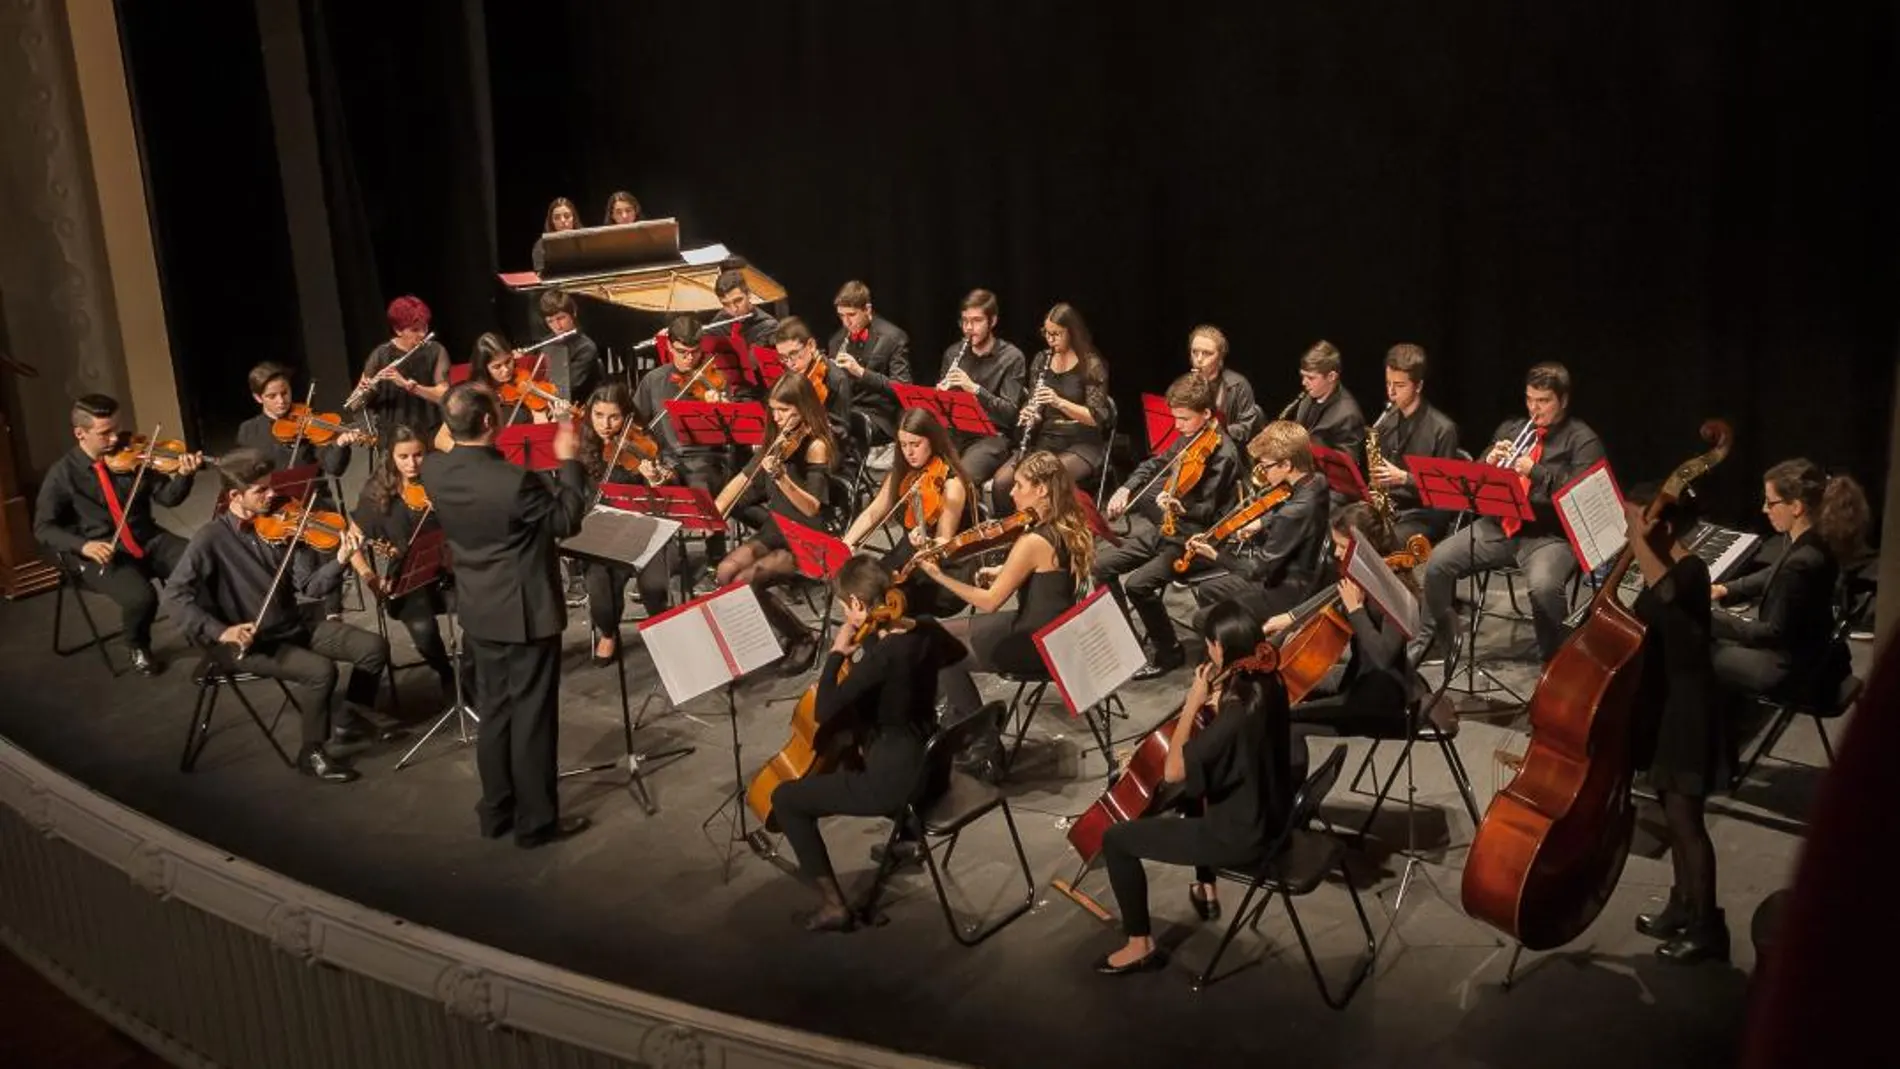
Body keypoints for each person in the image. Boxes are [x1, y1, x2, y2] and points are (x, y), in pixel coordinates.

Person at [420, 383, 589, 847]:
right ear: (491, 423)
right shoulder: (515, 481)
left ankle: (496, 812)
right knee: (532, 717)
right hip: (525, 612)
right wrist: (567, 457)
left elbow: (444, 439)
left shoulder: (433, 470)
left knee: (494, 713)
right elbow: (565, 521)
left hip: (478, 608)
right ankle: (536, 823)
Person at [1093, 600, 1302, 974]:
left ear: (1220, 649)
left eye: (1209, 646)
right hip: (1276, 818)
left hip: (1241, 837)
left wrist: (1192, 705)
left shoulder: (1238, 711)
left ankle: (1139, 944)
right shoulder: (1269, 682)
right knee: (1196, 791)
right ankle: (1206, 888)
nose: (1208, 652)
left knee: (1117, 839)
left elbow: (1173, 771)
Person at [163, 450, 396, 783]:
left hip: (290, 624)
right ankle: (311, 753)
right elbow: (175, 595)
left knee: (373, 647)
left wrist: (340, 560)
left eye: (270, 487)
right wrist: (221, 632)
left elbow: (311, 586)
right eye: (260, 491)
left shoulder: (284, 526)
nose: (272, 495)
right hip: (248, 640)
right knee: (320, 671)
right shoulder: (210, 538)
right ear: (234, 496)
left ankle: (348, 718)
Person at [767, 555, 967, 932]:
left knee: (787, 799)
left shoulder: (882, 660)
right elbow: (954, 654)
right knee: (859, 749)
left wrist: (836, 655)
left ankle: (832, 907)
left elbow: (825, 709)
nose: (847, 615)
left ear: (858, 605)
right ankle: (905, 839)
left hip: (898, 783)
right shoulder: (924, 628)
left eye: (847, 608)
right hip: (934, 767)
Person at [1410, 361, 1604, 664]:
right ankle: (1434, 642)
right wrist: (1488, 461)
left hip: (1550, 537)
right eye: (1529, 399)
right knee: (1437, 562)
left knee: (1544, 587)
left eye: (1543, 401)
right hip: (1499, 526)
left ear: (1563, 401)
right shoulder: (1512, 430)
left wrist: (1536, 472)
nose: (1534, 409)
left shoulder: (1582, 440)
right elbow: (1475, 482)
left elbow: (1581, 496)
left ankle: (1557, 664)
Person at [1621, 483, 1729, 964]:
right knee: (1671, 808)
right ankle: (1682, 905)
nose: (1628, 533)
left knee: (1687, 821)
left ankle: (1708, 926)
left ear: (1661, 527)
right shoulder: (1664, 568)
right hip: (1667, 703)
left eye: (1634, 522)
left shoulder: (1690, 571)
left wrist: (1639, 541)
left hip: (1690, 707)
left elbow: (1663, 596)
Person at [34, 393, 203, 675]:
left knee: (200, 561)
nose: (116, 439)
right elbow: (43, 528)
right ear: (80, 433)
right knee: (142, 598)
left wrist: (185, 475)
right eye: (105, 433)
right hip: (102, 551)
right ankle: (138, 644)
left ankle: (211, 630)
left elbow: (169, 498)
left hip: (146, 537)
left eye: (117, 428)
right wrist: (84, 546)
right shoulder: (62, 474)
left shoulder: (134, 455)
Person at [921, 450, 1092, 720]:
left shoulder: (1033, 541)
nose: (1011, 493)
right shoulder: (1066, 521)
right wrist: (1003, 570)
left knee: (938, 650)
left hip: (1036, 643)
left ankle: (978, 738)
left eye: (1019, 485)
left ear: (1042, 490)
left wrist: (939, 575)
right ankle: (952, 716)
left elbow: (989, 602)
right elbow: (1049, 572)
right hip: (1054, 630)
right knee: (936, 632)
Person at [1096, 373, 1242, 679]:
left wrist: (1180, 505)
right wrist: (1127, 488)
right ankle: (1126, 643)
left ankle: (1169, 652)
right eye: (1175, 418)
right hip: (1171, 528)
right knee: (1100, 567)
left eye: (1184, 419)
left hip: (1199, 541)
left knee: (1137, 584)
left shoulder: (1224, 454)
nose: (1177, 426)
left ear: (1206, 414)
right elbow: (1155, 463)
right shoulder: (1192, 435)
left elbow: (1210, 511)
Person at [1281, 503, 1452, 737]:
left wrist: (1355, 610)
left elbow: (1383, 658)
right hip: (1359, 680)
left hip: (1383, 702)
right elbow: (1334, 593)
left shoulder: (1397, 591)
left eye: (1342, 547)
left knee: (1286, 721)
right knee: (1285, 689)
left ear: (1364, 549)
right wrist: (1291, 620)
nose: (1336, 553)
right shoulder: (1367, 579)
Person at [1709, 459, 1867, 711]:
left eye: (1771, 502)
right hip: (1815, 653)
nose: (1764, 509)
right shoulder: (1815, 538)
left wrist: (1714, 620)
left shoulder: (1802, 562)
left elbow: (1773, 633)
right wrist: (1727, 589)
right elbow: (1775, 572)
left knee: (1694, 653)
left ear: (1795, 506)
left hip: (1788, 670)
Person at [712, 374, 837, 674]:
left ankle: (803, 637)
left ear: (803, 407)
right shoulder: (777, 441)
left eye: (785, 410)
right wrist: (714, 513)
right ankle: (766, 634)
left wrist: (781, 476)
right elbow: (743, 480)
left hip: (805, 537)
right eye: (774, 410)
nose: (778, 418)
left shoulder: (816, 445)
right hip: (776, 528)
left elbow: (812, 507)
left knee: (746, 582)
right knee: (725, 571)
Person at [1182, 420, 1333, 624]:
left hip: (1285, 588)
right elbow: (1291, 503)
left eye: (1266, 466)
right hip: (1299, 570)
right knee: (1208, 589)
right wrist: (1261, 522)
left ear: (1287, 464)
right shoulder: (1317, 481)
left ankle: (1237, 642)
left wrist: (1215, 555)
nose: (1263, 472)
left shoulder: (1292, 513)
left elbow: (1256, 570)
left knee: (1201, 619)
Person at [349, 426, 459, 698]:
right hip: (409, 580)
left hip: (451, 570)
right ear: (391, 458)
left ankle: (474, 669)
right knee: (422, 627)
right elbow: (352, 544)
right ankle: (446, 673)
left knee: (484, 608)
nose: (412, 464)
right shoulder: (376, 494)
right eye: (404, 457)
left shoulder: (439, 482)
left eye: (419, 455)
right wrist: (369, 578)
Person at [839, 408, 972, 616]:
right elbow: (873, 513)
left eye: (915, 445)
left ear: (933, 441)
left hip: (942, 570)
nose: (908, 452)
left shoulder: (951, 483)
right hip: (907, 554)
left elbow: (943, 542)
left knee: (882, 600)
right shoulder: (903, 472)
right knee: (860, 587)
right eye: (903, 445)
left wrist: (925, 544)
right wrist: (846, 544)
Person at [578, 383, 676, 663]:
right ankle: (608, 632)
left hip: (644, 528)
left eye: (614, 417)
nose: (606, 425)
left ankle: (666, 631)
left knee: (654, 590)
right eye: (598, 415)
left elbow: (669, 487)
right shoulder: (582, 446)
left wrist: (654, 476)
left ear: (627, 416)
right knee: (599, 588)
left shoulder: (644, 440)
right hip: (602, 531)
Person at [990, 302, 1113, 515]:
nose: (1050, 339)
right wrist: (1031, 415)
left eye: (1056, 334)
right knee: (1001, 482)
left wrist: (1059, 402)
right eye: (1047, 333)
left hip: (1081, 442)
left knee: (1043, 481)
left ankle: (1046, 537)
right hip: (1046, 439)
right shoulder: (1041, 360)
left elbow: (1097, 417)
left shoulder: (1091, 364)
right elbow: (1034, 405)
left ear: (1072, 333)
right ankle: (1012, 535)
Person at [1365, 344, 1461, 543]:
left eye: (1399, 386)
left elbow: (1446, 490)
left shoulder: (1443, 429)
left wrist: (1404, 478)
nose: (1391, 392)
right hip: (1393, 507)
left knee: (1382, 542)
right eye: (1388, 383)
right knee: (1345, 527)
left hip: (1424, 513)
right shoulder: (1386, 421)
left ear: (1418, 386)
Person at [937, 289, 1028, 486]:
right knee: (924, 474)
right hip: (956, 432)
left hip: (992, 438)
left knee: (959, 481)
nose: (969, 328)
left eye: (977, 321)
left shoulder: (1012, 358)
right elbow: (941, 409)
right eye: (965, 321)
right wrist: (940, 396)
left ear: (992, 321)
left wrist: (975, 389)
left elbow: (1010, 414)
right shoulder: (953, 353)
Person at [346, 295, 450, 444]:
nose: (422, 334)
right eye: (415, 330)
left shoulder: (436, 351)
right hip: (393, 438)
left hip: (431, 432)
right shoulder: (381, 355)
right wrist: (366, 391)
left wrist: (413, 387)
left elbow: (444, 396)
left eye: (425, 327)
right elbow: (353, 405)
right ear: (398, 330)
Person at [235, 361, 364, 480]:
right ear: (258, 398)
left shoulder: (310, 421)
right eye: (272, 396)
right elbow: (244, 476)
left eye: (284, 393)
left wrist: (339, 445)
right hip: (268, 499)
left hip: (310, 496)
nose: (281, 401)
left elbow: (334, 468)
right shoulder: (248, 430)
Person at [826, 279, 912, 444]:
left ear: (867, 309)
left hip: (879, 417)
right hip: (847, 411)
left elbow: (904, 388)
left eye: (851, 315)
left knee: (841, 426)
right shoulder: (837, 340)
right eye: (841, 316)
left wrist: (861, 373)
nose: (846, 322)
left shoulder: (893, 338)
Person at [1285, 340, 1368, 466]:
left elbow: (1346, 466)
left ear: (1331, 377)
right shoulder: (1307, 398)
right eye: (1303, 376)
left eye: (1311, 378)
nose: (1303, 383)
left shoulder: (1348, 415)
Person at [773, 316, 853, 440]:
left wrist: (813, 426)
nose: (789, 363)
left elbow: (841, 431)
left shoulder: (836, 379)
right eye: (783, 357)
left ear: (811, 345)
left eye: (793, 354)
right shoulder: (790, 376)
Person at [1185, 324, 1262, 447]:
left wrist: (1215, 431)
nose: (1198, 360)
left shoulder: (1238, 385)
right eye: (1195, 352)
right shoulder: (1187, 383)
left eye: (1207, 353)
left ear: (1220, 357)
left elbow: (1247, 428)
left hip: (1228, 450)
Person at [471, 332, 561, 427]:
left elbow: (539, 416)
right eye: (497, 367)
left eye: (508, 361)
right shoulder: (478, 395)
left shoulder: (522, 376)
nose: (506, 370)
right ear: (484, 368)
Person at [537, 290, 603, 406]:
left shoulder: (586, 348)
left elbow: (566, 387)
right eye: (550, 321)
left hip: (577, 406)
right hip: (549, 401)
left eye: (561, 318)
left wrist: (536, 390)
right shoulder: (545, 343)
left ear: (573, 313)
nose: (557, 326)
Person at [530, 196, 579, 273]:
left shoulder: (585, 241)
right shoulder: (541, 245)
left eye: (567, 216)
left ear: (574, 218)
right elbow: (540, 275)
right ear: (551, 222)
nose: (562, 220)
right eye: (557, 218)